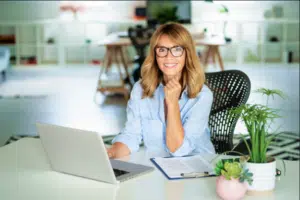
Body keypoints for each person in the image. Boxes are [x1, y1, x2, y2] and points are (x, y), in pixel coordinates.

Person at [106, 22, 215, 158]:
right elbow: (131, 135)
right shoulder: (141, 89)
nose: (169, 57)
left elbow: (179, 150)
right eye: (162, 50)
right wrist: (110, 152)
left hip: (197, 167)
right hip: (158, 165)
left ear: (187, 54)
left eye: (176, 49)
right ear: (155, 54)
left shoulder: (202, 96)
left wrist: (172, 103)